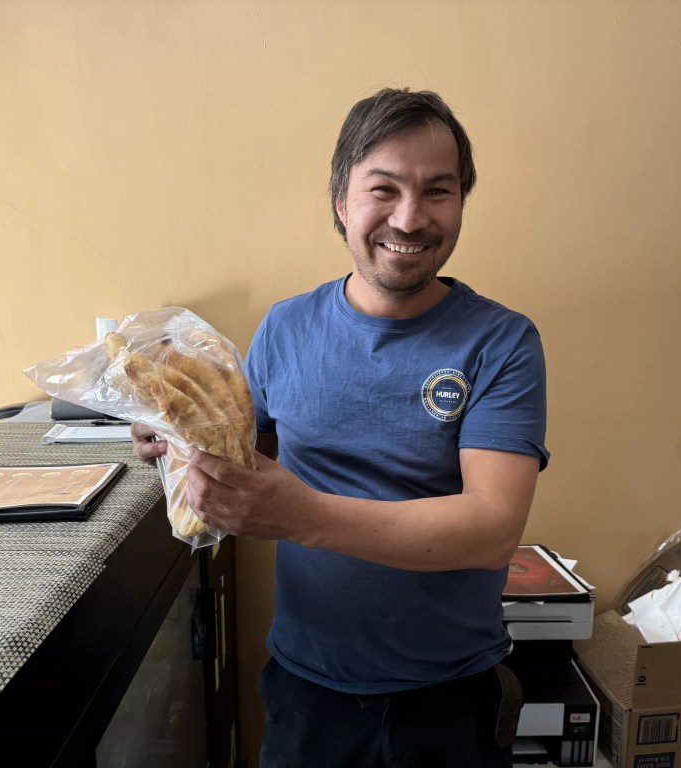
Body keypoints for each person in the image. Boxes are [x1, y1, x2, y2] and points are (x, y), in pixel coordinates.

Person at [132, 87, 549, 768]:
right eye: (382, 189)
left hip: (450, 704)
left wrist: (304, 516)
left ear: (461, 204)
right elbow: (244, 462)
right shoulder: (285, 328)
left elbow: (492, 528)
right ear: (341, 202)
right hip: (308, 696)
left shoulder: (501, 342)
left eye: (437, 192)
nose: (409, 218)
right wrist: (175, 442)